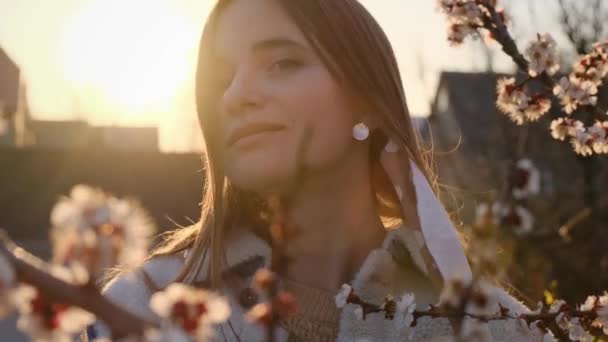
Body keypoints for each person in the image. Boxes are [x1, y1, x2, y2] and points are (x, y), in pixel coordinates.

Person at [90, 0, 547, 340]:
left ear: (367, 99)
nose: (235, 95)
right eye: (222, 78)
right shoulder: (146, 307)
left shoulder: (486, 324)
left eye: (282, 62)